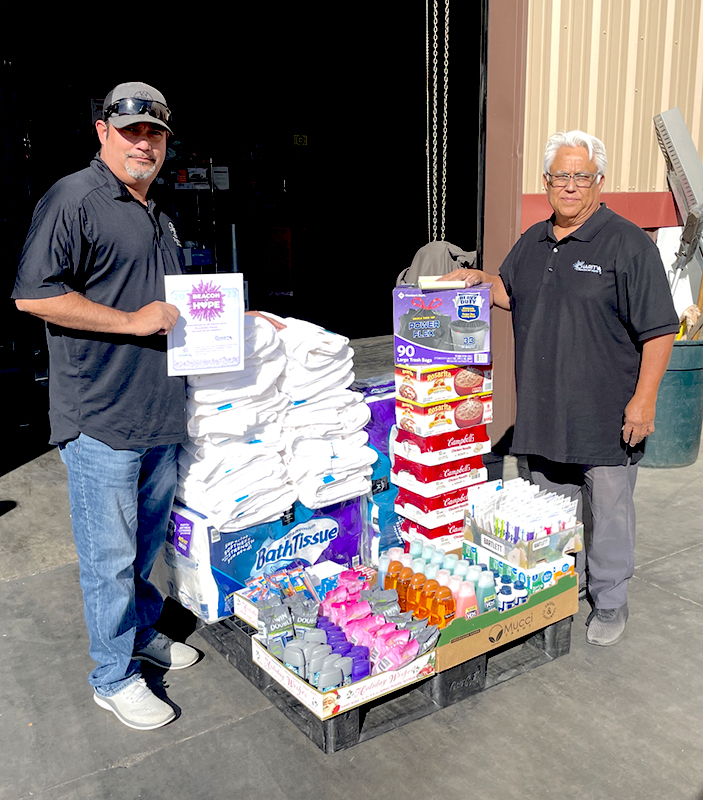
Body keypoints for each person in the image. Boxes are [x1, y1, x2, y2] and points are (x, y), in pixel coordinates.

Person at [13, 82, 240, 730]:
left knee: (140, 550)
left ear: (166, 142)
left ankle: (139, 632)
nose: (143, 142)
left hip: (157, 415)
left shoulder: (154, 213)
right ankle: (112, 677)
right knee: (108, 559)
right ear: (103, 132)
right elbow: (33, 296)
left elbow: (167, 306)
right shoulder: (75, 198)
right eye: (131, 130)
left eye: (155, 133)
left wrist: (236, 318)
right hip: (102, 420)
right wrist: (132, 322)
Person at [442, 130, 678, 646]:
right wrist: (480, 280)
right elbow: (510, 291)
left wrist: (644, 400)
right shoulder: (532, 241)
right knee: (551, 521)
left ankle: (611, 602)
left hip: (606, 417)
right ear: (546, 182)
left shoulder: (627, 244)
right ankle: (554, 598)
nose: (569, 186)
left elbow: (660, 329)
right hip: (545, 415)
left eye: (581, 176)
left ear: (598, 182)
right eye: (560, 177)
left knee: (610, 516)